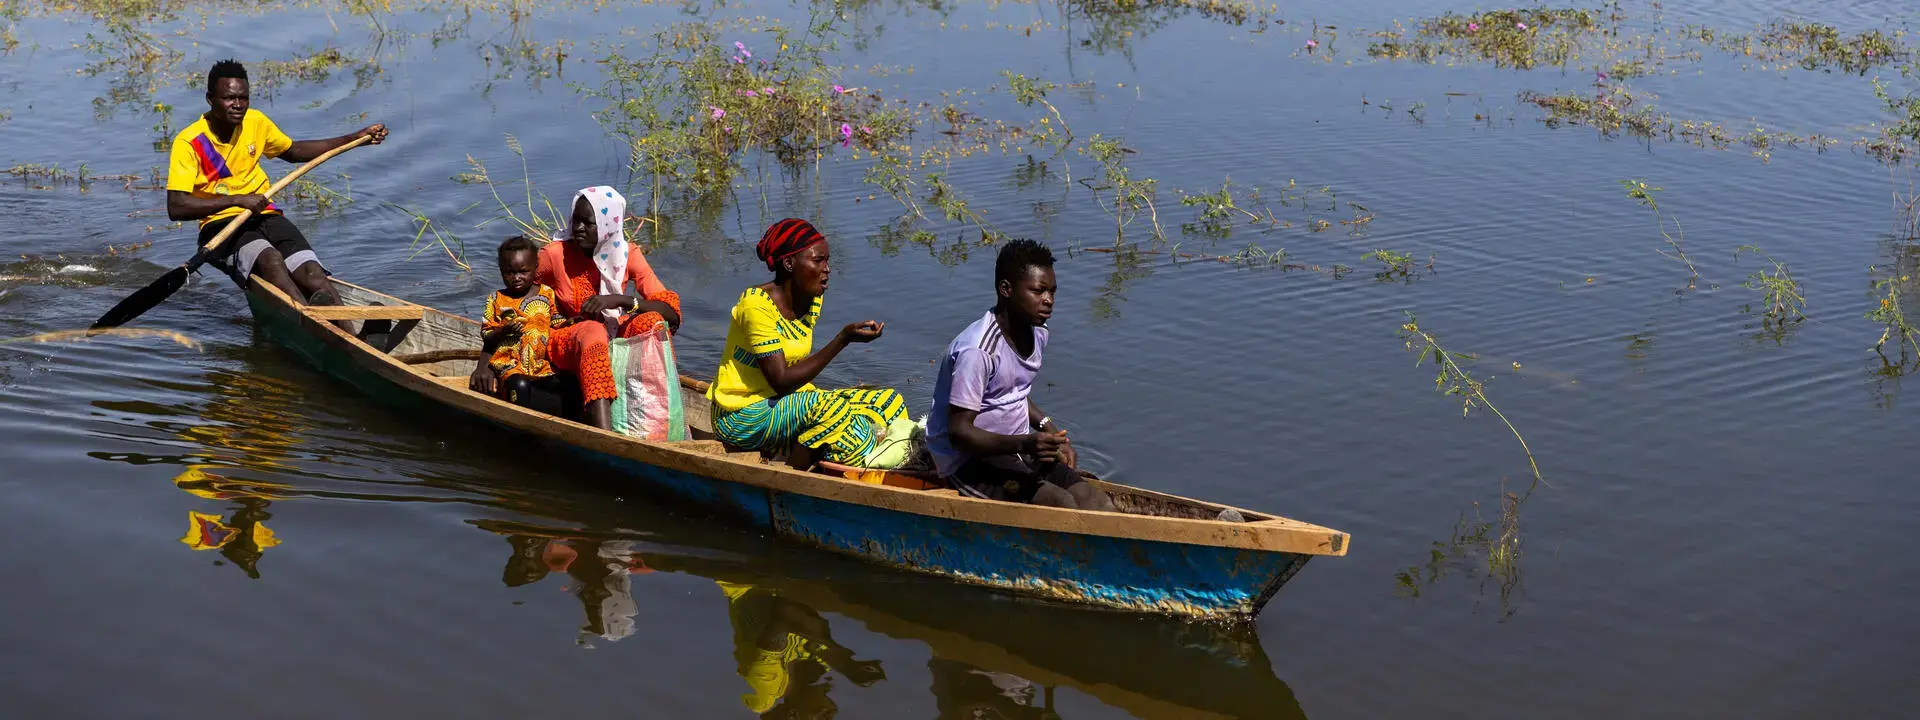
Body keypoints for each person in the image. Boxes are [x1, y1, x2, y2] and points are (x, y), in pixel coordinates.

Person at [165, 59, 386, 305]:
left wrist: (353, 138)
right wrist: (238, 200)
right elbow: (177, 207)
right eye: (229, 98)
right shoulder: (189, 142)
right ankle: (309, 320)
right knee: (271, 261)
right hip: (220, 227)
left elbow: (293, 151)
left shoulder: (256, 122)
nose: (238, 105)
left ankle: (349, 329)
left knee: (312, 273)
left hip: (265, 215)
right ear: (210, 99)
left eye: (243, 98)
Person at [468, 187, 680, 430]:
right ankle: (603, 434)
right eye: (575, 220)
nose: (577, 228)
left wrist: (619, 301)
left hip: (612, 336)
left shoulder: (627, 253)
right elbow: (512, 299)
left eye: (588, 223)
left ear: (607, 225)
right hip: (564, 340)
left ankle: (661, 423)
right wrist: (485, 364)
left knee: (651, 321)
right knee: (592, 330)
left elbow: (669, 312)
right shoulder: (556, 255)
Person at [927, 240, 1113, 510]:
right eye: (1038, 291)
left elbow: (1011, 394)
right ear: (1006, 289)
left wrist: (1051, 432)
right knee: (1063, 506)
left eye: (1052, 292)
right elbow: (959, 434)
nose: (1048, 300)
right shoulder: (979, 352)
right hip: (967, 461)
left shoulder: (1038, 333)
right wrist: (1027, 443)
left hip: (1012, 447)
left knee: (1098, 503)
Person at [707, 218, 907, 469]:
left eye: (827, 260)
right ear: (789, 264)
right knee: (831, 411)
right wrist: (842, 340)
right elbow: (780, 381)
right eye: (818, 260)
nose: (827, 269)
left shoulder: (811, 298)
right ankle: (791, 476)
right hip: (741, 415)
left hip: (784, 404)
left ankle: (840, 446)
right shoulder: (756, 304)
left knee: (888, 400)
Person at [471, 235, 569, 406]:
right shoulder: (495, 299)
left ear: (536, 267)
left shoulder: (547, 293)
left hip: (542, 366)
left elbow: (556, 322)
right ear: (501, 270)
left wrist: (571, 323)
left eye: (523, 272)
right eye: (509, 273)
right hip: (509, 367)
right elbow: (487, 335)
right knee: (519, 385)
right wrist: (503, 331)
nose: (516, 277)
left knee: (567, 383)